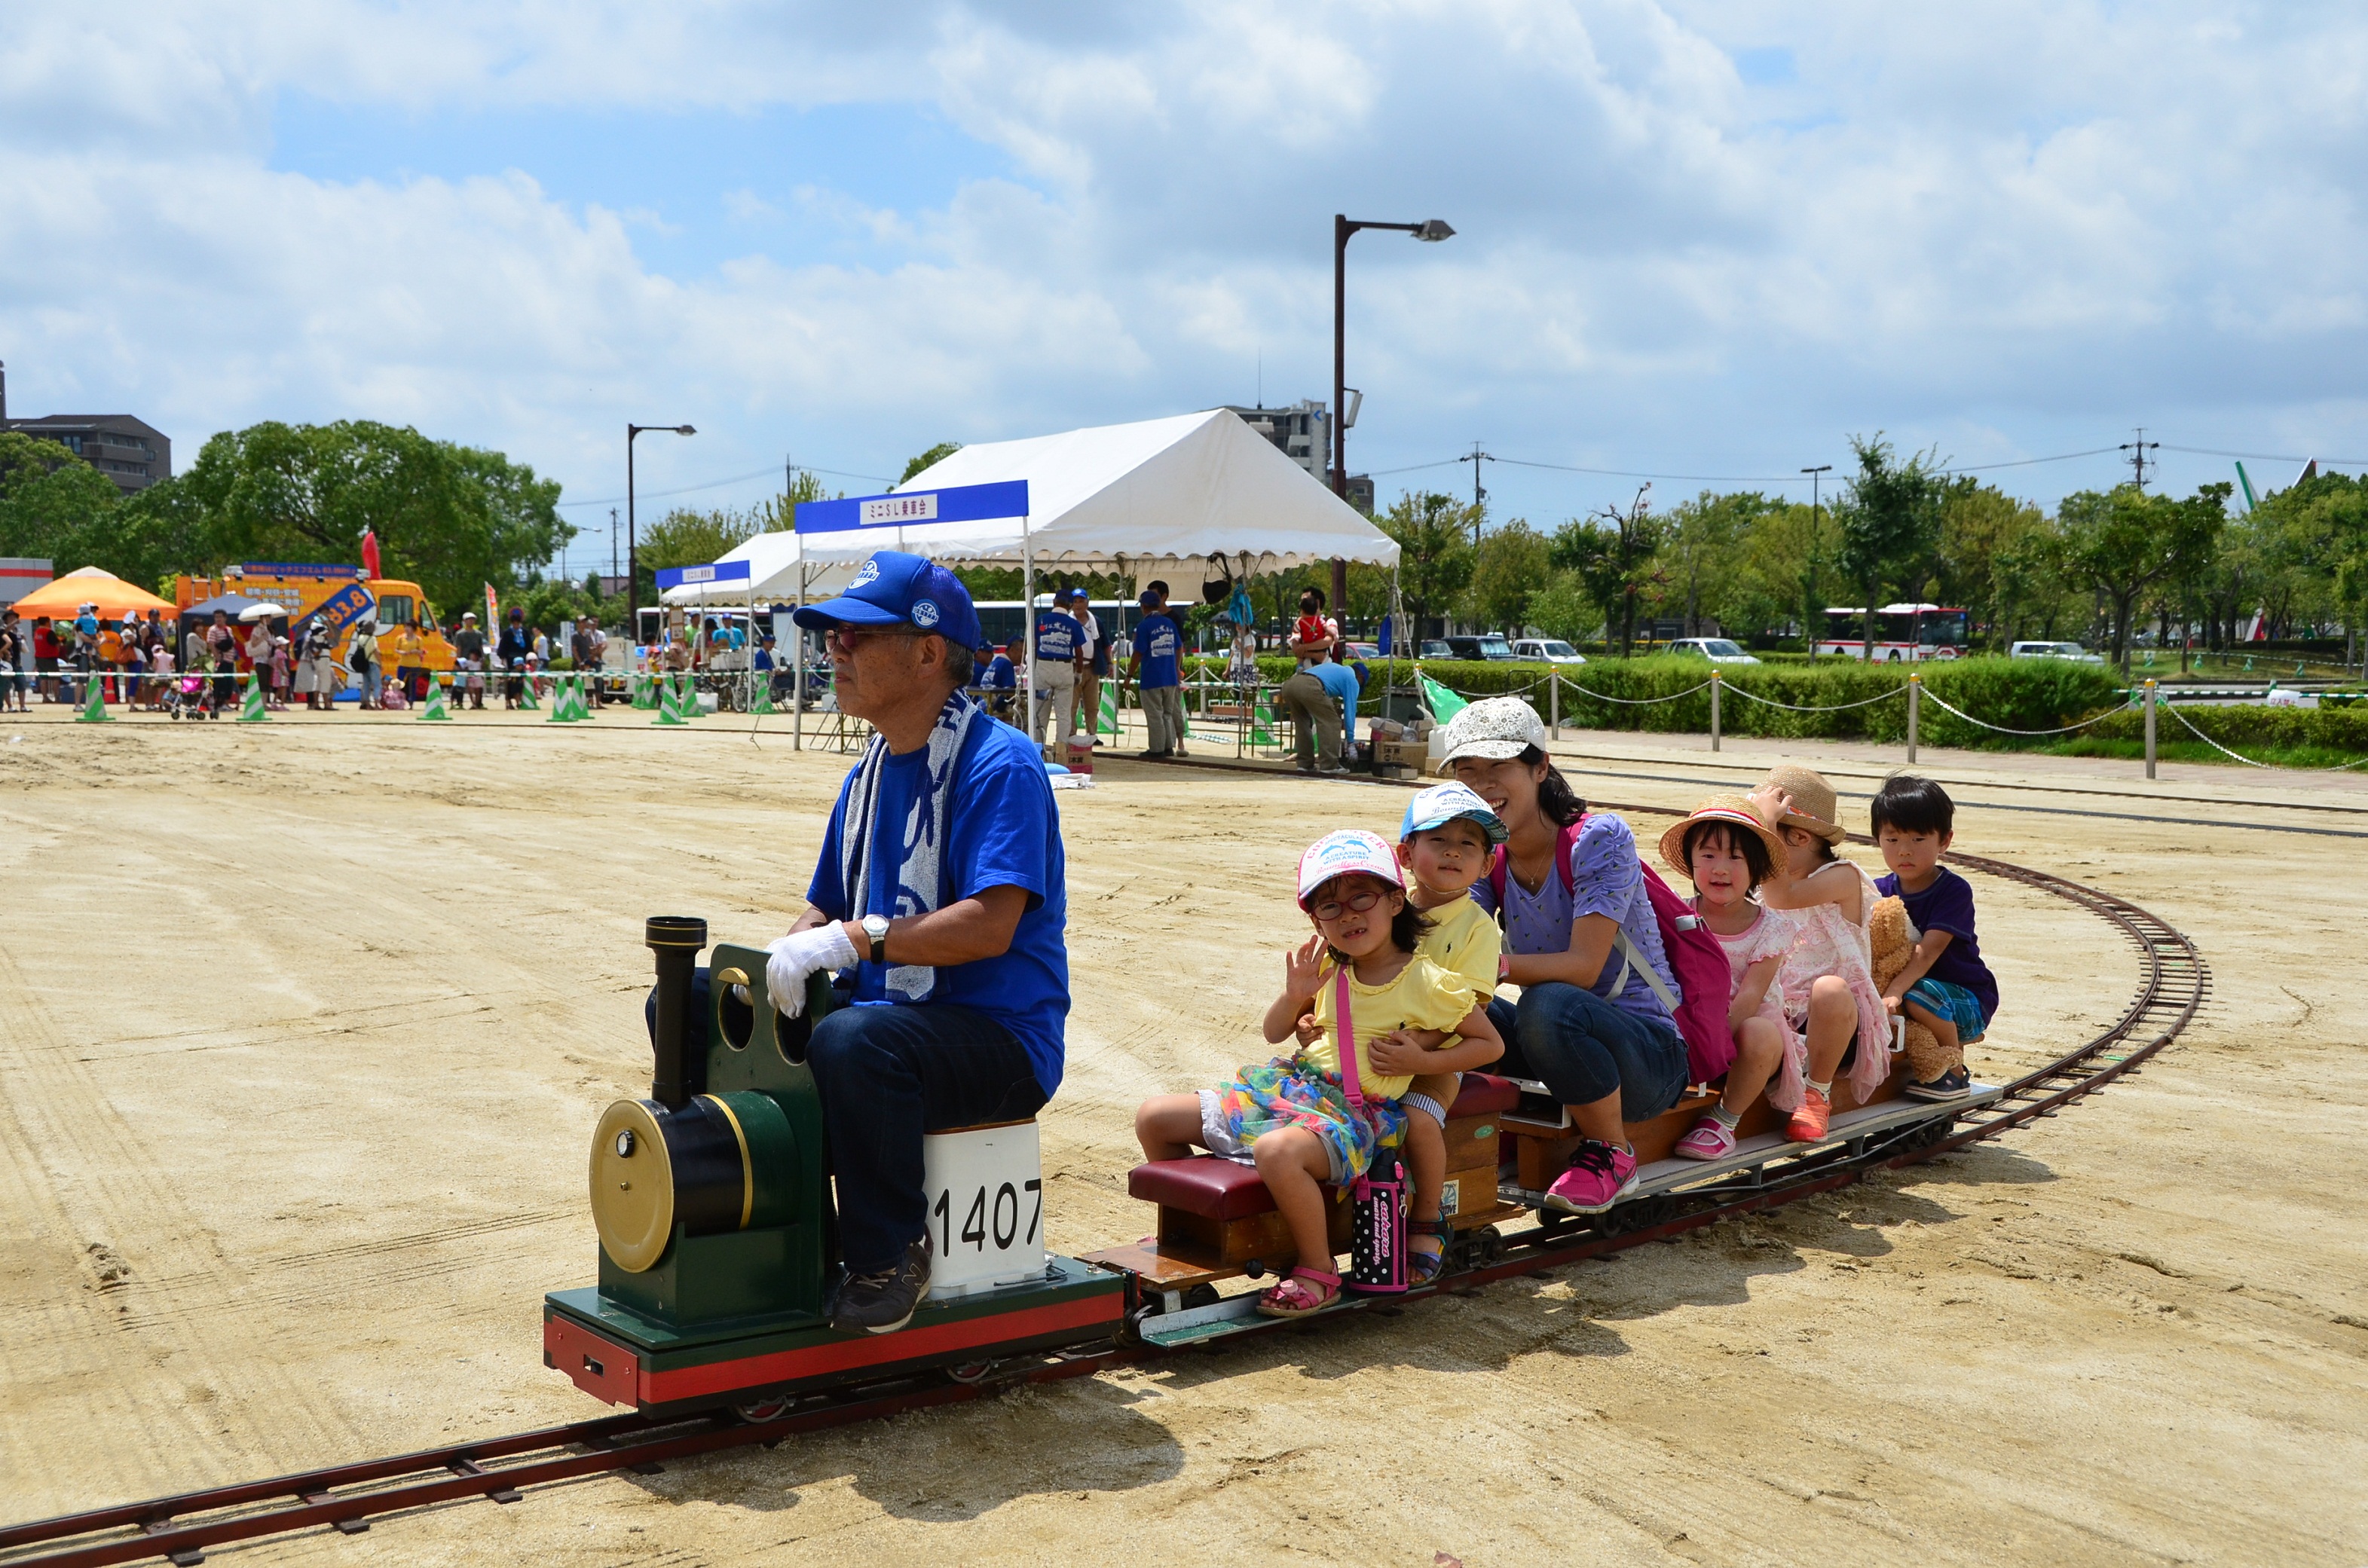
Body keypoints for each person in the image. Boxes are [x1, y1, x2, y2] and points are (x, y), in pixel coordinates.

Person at [659, 549, 1069, 1335]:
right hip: (887, 1023)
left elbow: (990, 924)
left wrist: (855, 940)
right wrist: (781, 961)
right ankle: (763, 1220)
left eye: (856, 635)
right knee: (689, 998)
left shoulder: (1001, 763)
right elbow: (822, 909)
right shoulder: (867, 776)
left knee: (855, 1039)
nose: (833, 650)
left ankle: (888, 1257)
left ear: (925, 652)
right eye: (832, 637)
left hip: (997, 1039)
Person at [1134, 830, 1501, 1318]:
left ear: (1395, 900)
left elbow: (1489, 1043)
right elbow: (1272, 1032)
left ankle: (1317, 1266)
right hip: (1290, 1091)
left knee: (1275, 1149)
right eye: (1329, 906)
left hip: (1354, 1114)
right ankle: (1200, 1228)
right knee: (1154, 1117)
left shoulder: (1427, 980)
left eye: (1361, 897)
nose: (1347, 913)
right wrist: (1293, 998)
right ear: (1316, 920)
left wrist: (1423, 1063)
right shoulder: (1329, 965)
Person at [1446, 696, 1688, 1214]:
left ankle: (1612, 1151)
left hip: (1647, 1058)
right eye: (1468, 771)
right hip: (1559, 1047)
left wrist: (1494, 967)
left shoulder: (1598, 838)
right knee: (1450, 1004)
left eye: (1499, 767)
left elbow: (1584, 966)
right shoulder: (1487, 856)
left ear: (1540, 768)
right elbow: (1448, 945)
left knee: (1547, 1004)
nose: (1483, 785)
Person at [1389, 782, 1508, 1281]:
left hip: (1444, 1055)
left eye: (1469, 843)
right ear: (1406, 852)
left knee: (1418, 1117)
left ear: (1486, 865)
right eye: (1438, 839)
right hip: (1374, 1045)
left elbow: (1472, 1004)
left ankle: (1428, 1216)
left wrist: (1422, 1048)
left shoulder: (1479, 928)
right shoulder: (1384, 910)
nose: (1453, 850)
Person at [1742, 766, 1892, 1140]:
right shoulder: (1765, 884)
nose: (1753, 851)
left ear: (1801, 837)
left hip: (1838, 1022)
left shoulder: (1843, 877)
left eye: (1762, 839)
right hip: (1783, 1011)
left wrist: (1768, 828)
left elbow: (1784, 898)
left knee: (1829, 989)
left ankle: (1816, 1094)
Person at [1657, 798, 1798, 1160]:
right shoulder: (1678, 914)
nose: (1720, 868)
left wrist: (1710, 1043)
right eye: (1708, 856)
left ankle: (1724, 1119)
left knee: (1760, 1032)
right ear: (1691, 862)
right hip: (1688, 1025)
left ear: (1756, 867)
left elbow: (1750, 996)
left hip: (1744, 1036)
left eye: (1735, 857)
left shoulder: (1771, 928)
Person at [1870, 775, 1993, 1102]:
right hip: (1911, 997)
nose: (1904, 851)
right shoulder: (1879, 891)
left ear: (1945, 841)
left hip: (1965, 1000)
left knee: (1917, 995)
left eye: (1919, 839)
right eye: (1892, 839)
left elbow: (1929, 951)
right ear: (1877, 839)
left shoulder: (1953, 891)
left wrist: (1894, 990)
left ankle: (1954, 1071)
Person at [1126, 588, 1187, 760]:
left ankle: (1156, 749)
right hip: (1170, 677)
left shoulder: (1144, 626)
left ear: (1144, 607)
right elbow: (1179, 646)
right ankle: (1168, 746)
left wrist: (1129, 675)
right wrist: (1176, 667)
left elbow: (1138, 653)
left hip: (1152, 677)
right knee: (1167, 714)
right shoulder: (1169, 623)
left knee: (1154, 715)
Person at [1277, 654, 1349, 775]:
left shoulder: (1336, 670)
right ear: (1360, 677)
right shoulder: (1351, 679)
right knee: (1332, 722)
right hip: (1310, 686)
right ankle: (1329, 765)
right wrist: (1350, 741)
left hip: (1290, 684)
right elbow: (1350, 712)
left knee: (1302, 723)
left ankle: (1304, 764)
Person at [1030, 587, 1084, 748]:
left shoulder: (1041, 620)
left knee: (1040, 712)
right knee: (1063, 713)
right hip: (1065, 668)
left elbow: (1033, 646)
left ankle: (1038, 748)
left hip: (1043, 666)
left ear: (1054, 602)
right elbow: (1079, 652)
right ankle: (1061, 749)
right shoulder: (1074, 624)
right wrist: (1079, 672)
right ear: (1070, 605)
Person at [1289, 585, 1336, 668]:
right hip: (1305, 672)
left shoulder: (1329, 622)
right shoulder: (1300, 624)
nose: (1301, 605)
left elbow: (1327, 641)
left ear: (1317, 602)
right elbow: (1295, 649)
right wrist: (1314, 655)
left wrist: (1304, 647)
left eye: (1304, 601)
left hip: (1325, 671)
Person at [453, 611, 488, 709]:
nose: (471, 621)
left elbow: (481, 647)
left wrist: (482, 658)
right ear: (464, 621)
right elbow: (459, 648)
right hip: (464, 660)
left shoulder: (478, 634)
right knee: (461, 682)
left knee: (478, 682)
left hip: (476, 661)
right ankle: (459, 702)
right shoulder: (460, 634)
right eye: (469, 619)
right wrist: (458, 661)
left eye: (473, 620)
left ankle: (479, 703)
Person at [499, 607, 532, 708]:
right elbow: (503, 646)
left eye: (517, 623)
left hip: (522, 660)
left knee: (521, 681)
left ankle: (521, 700)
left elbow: (529, 646)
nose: (516, 625)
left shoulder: (525, 632)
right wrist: (503, 658)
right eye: (514, 623)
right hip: (510, 660)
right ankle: (509, 702)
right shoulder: (508, 633)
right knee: (510, 681)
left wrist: (529, 658)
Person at [349, 616, 381, 709]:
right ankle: (376, 704)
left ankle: (367, 704)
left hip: (364, 663)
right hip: (372, 662)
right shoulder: (372, 639)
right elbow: (376, 651)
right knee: (377, 685)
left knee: (366, 684)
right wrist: (380, 663)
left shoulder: (361, 637)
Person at [0, 610, 23, 713]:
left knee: (21, 683)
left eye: (14, 617)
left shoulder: (18, 631)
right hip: (6, 660)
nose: (13, 620)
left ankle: (22, 706)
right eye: (11, 618)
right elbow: (6, 633)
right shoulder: (4, 630)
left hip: (16, 659)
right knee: (6, 685)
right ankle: (9, 706)